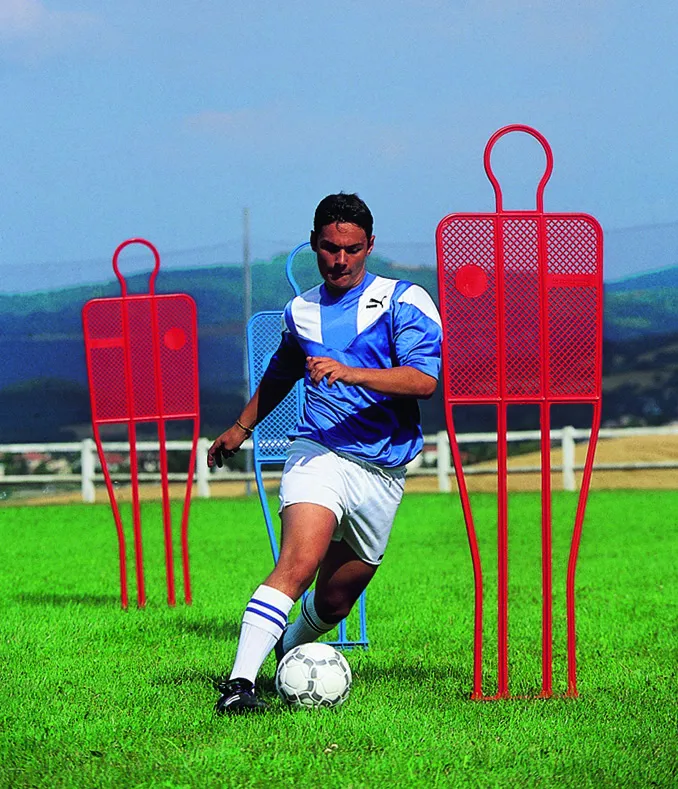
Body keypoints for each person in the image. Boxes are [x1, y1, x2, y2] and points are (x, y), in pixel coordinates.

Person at [207, 192, 442, 714]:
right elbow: (282, 372)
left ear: (370, 245)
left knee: (336, 600)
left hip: (384, 469)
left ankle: (288, 654)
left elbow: (423, 381)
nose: (340, 260)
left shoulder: (405, 300)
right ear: (314, 243)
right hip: (320, 452)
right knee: (298, 562)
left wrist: (351, 372)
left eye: (352, 249)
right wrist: (241, 428)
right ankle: (240, 685)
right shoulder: (301, 311)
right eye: (330, 248)